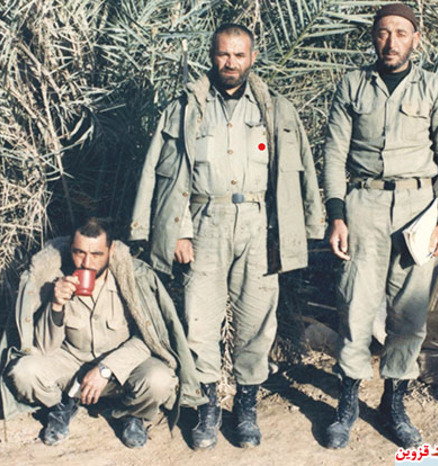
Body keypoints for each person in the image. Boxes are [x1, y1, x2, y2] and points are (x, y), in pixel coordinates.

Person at [129, 24, 325, 449]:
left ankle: (247, 405)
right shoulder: (186, 108)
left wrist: (306, 226)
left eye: (239, 55)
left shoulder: (276, 109)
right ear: (211, 56)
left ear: (252, 57)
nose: (230, 62)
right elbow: (161, 173)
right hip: (204, 222)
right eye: (223, 54)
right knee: (199, 318)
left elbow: (304, 171)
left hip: (259, 224)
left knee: (258, 319)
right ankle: (207, 406)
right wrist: (178, 232)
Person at [322, 3, 438, 450]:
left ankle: (394, 402)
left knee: (409, 311)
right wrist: (336, 214)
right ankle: (347, 402)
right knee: (355, 305)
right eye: (384, 32)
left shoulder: (434, 87)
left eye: (401, 33)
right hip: (363, 204)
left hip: (417, 209)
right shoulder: (352, 85)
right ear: (373, 37)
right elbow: (333, 154)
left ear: (415, 39)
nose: (391, 42)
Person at [0, 217, 204, 448]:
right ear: (70, 248)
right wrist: (56, 305)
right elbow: (43, 348)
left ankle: (130, 414)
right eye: (79, 253)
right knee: (24, 372)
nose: (86, 263)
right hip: (71, 365)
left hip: (122, 369)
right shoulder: (55, 279)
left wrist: (107, 368)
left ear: (111, 250)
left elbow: (148, 338)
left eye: (96, 254)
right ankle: (61, 406)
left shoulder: (131, 279)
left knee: (160, 380)